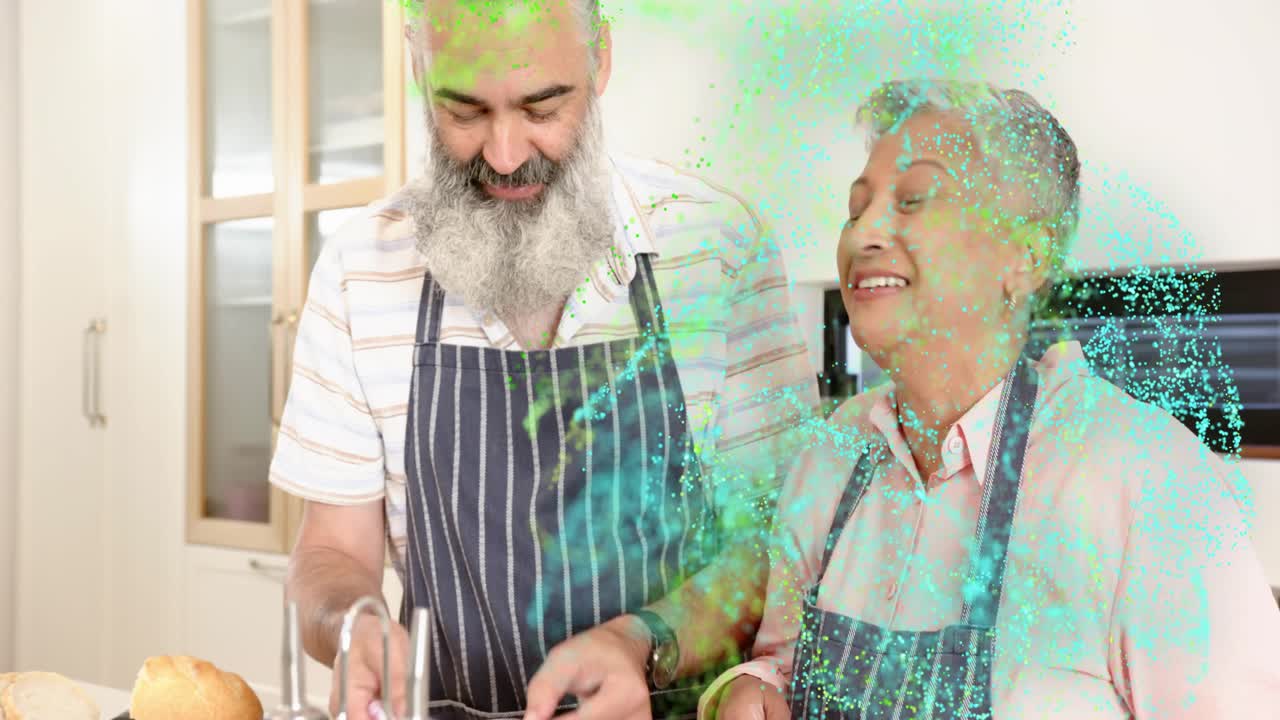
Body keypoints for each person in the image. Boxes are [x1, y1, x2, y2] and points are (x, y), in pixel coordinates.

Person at [269, 1, 820, 719]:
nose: (503, 154)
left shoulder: (715, 247)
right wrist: (351, 623)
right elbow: (331, 553)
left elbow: (777, 551)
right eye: (463, 110)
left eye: (542, 105)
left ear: (601, 60)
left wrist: (642, 642)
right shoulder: (360, 269)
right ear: (416, 65)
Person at [700, 78, 1280, 719]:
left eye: (915, 198)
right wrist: (751, 688)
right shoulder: (833, 455)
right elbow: (780, 663)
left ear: (1025, 255)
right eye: (855, 207)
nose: (864, 232)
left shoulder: (1147, 478)